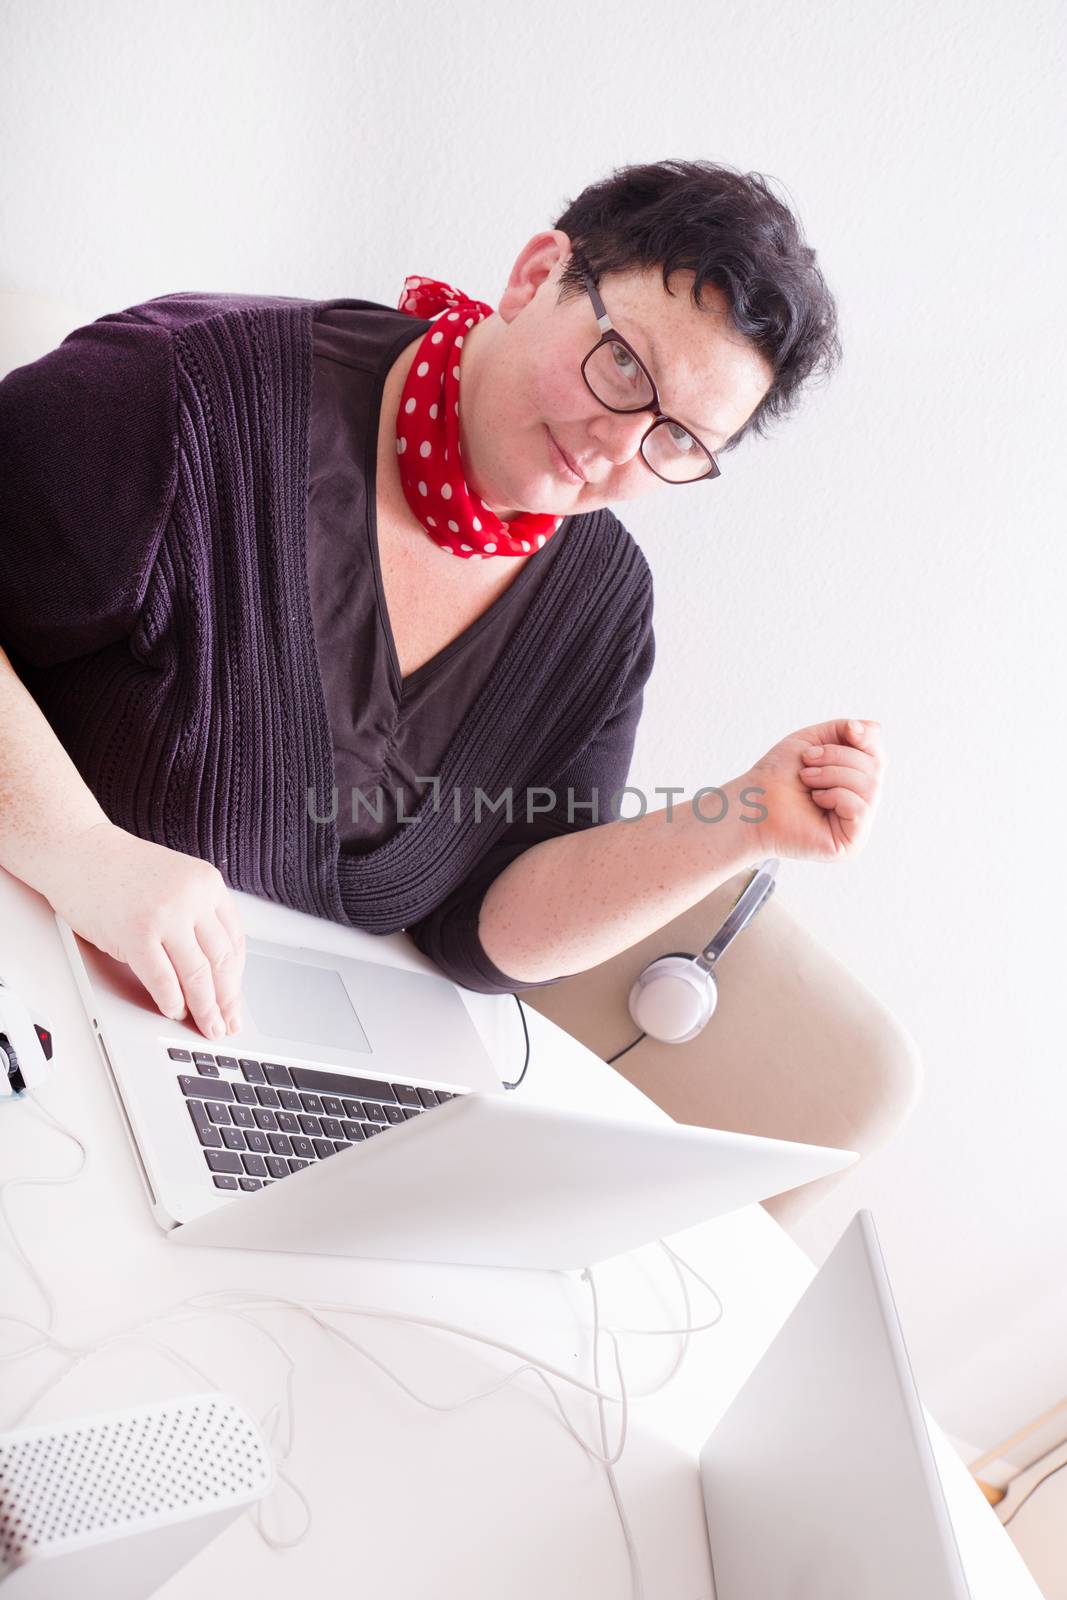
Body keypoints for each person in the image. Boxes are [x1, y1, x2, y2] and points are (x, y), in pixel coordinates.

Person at [0, 158, 887, 1044]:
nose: (618, 446)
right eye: (622, 363)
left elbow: (488, 924)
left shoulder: (602, 605)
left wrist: (745, 819)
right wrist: (77, 847)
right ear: (535, 276)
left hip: (247, 1063)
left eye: (680, 439)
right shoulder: (187, 389)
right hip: (40, 987)